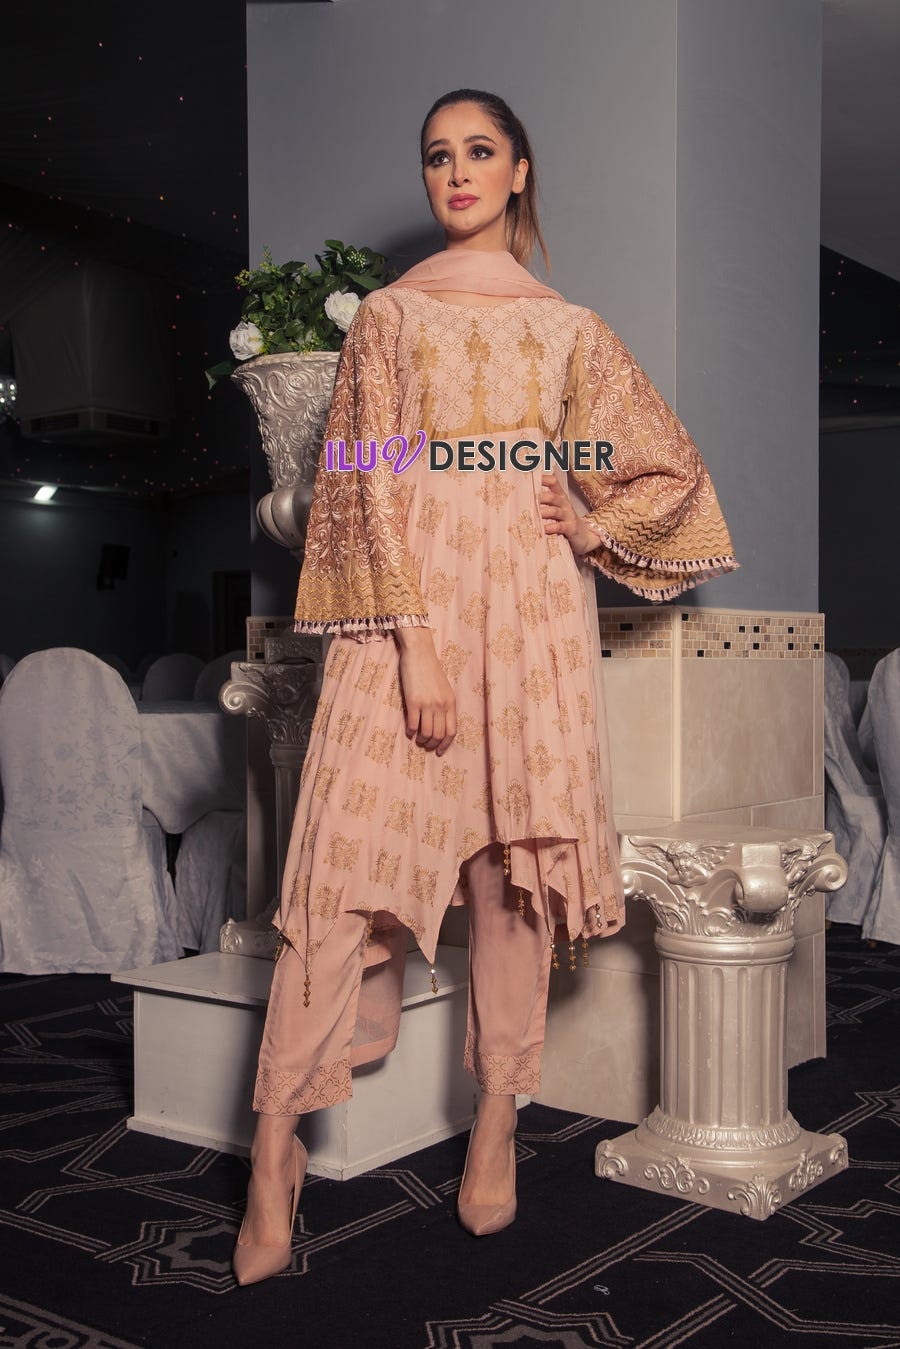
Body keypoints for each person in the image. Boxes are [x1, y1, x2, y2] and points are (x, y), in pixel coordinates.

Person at [232, 87, 738, 1285]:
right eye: (435, 156)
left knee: (513, 884)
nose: (454, 172)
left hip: (529, 621)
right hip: (403, 623)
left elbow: (665, 471)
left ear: (519, 172)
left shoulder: (571, 330)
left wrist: (592, 520)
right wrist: (411, 640)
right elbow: (361, 476)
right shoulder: (391, 317)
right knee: (336, 878)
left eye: (477, 152)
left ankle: (497, 1121)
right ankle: (272, 1149)